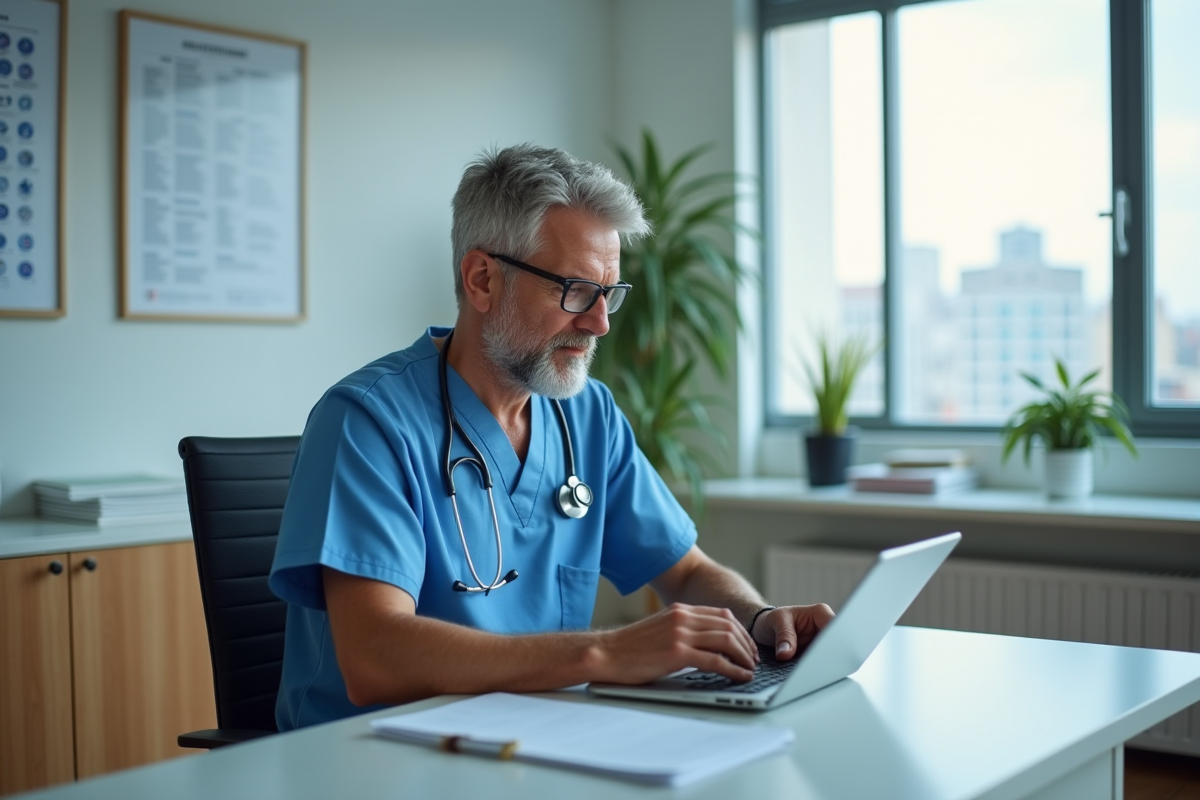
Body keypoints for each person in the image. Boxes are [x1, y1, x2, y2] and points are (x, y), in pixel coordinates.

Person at [268, 144, 833, 730]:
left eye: (608, 292)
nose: (600, 323)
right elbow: (374, 656)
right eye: (574, 290)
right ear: (483, 279)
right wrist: (607, 654)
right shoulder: (368, 421)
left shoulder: (586, 415)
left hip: (532, 739)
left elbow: (686, 572)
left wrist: (759, 617)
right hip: (372, 758)